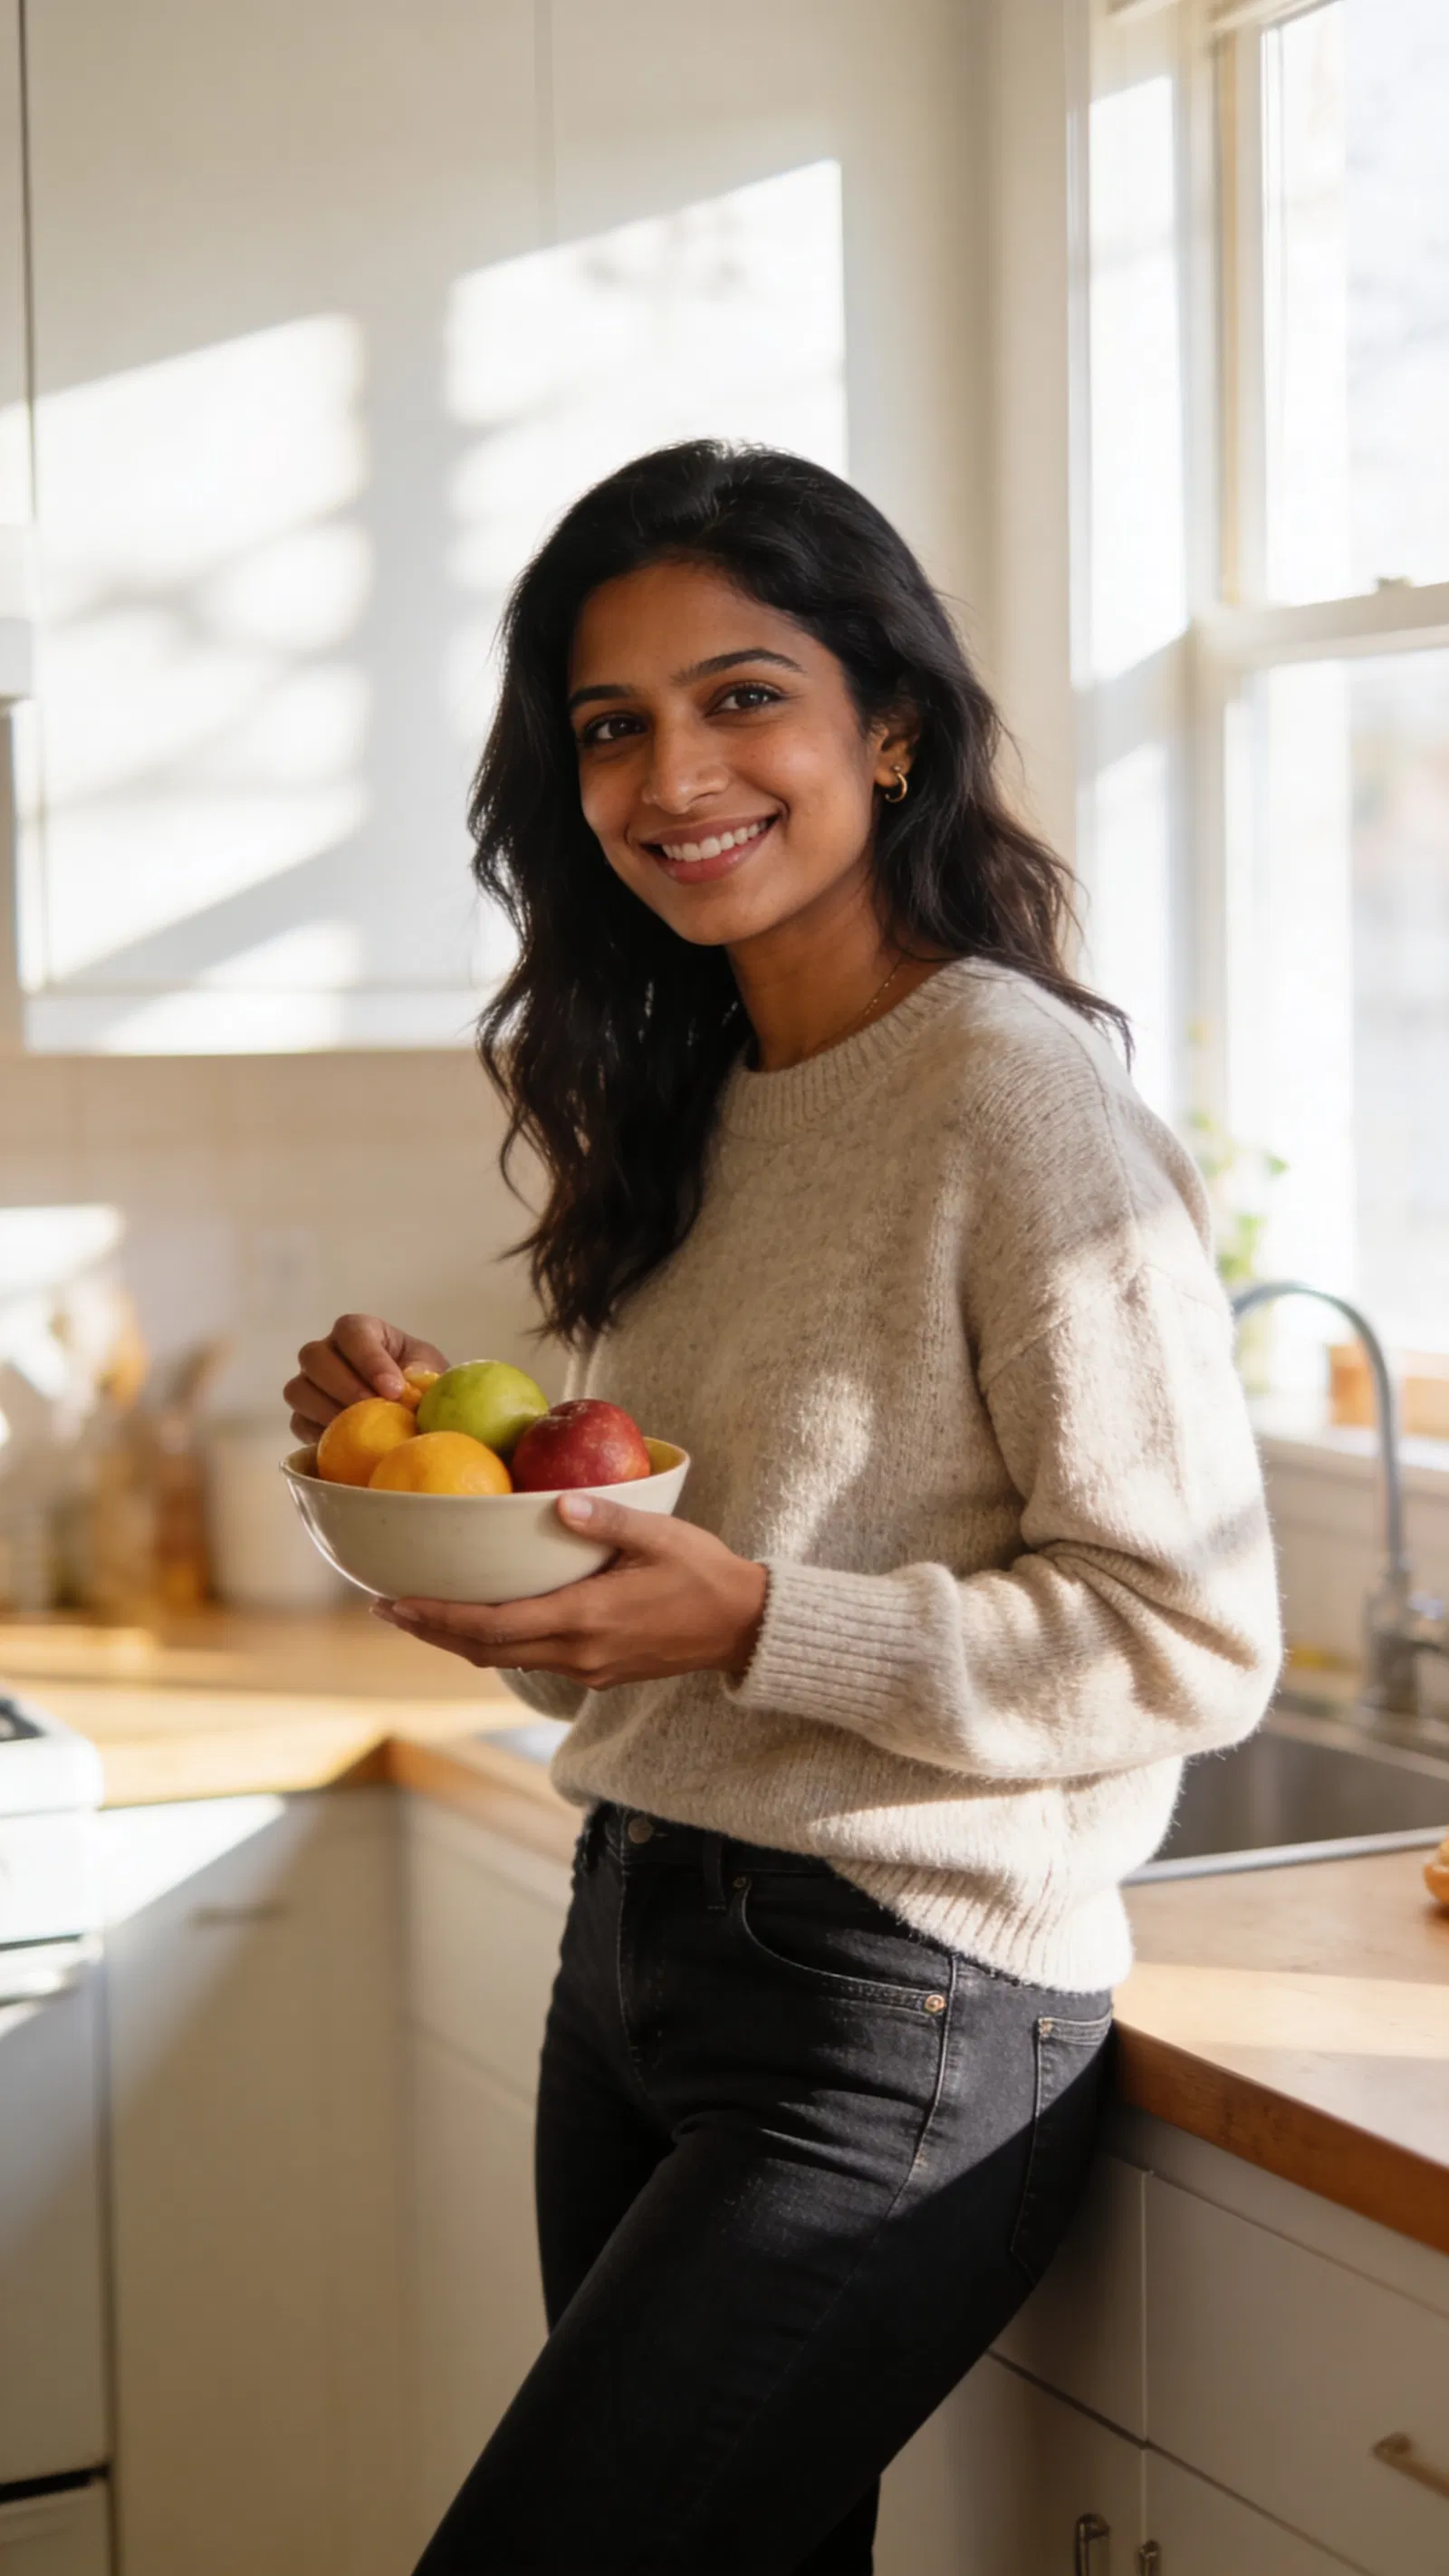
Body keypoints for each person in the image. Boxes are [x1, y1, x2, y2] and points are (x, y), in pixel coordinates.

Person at [286, 441, 1280, 2575]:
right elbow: (665, 1599)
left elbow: (1185, 1642)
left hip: (892, 2008)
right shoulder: (692, 1096)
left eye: (742, 697)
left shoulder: (1007, 1091)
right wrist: (441, 1484)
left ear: (888, 728)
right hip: (634, 1952)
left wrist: (751, 1622)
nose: (672, 777)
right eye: (609, 726)